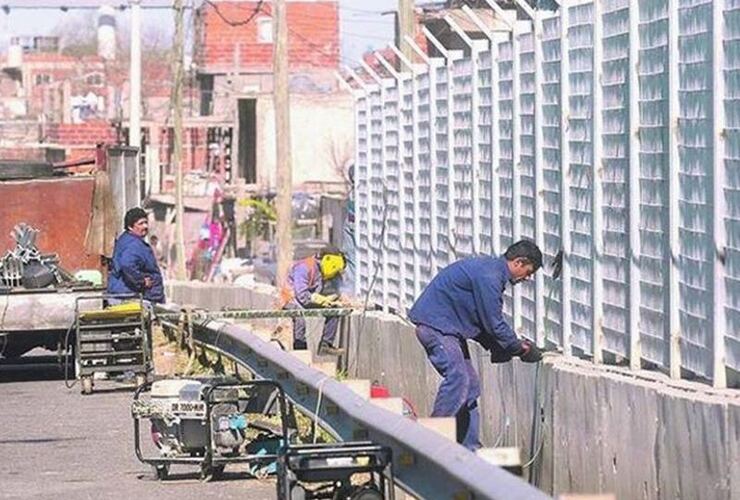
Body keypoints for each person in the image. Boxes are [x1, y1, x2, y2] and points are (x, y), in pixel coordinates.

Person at [408, 240, 544, 451]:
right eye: (528, 272)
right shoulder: (490, 277)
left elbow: (477, 319)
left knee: (470, 385)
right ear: (519, 262)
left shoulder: (489, 271)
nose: (527, 277)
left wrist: (499, 347)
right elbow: (493, 323)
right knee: (459, 378)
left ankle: (470, 447)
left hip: (446, 328)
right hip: (437, 327)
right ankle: (428, 441)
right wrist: (519, 348)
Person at [280, 247, 347, 355]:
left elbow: (337, 288)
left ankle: (325, 345)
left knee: (334, 311)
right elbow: (301, 295)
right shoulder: (304, 267)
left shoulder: (324, 270)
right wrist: (320, 299)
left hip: (309, 300)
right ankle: (300, 350)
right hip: (291, 299)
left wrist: (335, 298)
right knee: (299, 316)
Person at [107, 207, 165, 304]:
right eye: (141, 224)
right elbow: (127, 264)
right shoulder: (134, 244)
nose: (145, 226)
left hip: (122, 293)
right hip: (128, 296)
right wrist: (141, 281)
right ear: (130, 227)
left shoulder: (126, 239)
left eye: (146, 222)